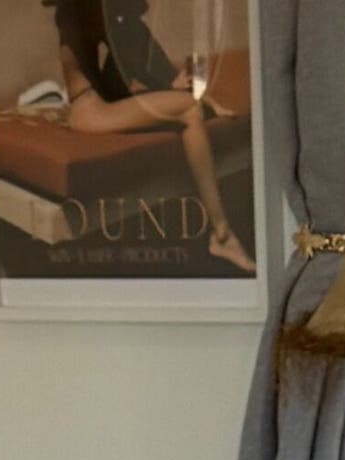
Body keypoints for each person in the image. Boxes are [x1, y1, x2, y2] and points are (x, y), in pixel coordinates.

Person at [49, 0, 256, 275]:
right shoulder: (79, 12)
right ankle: (222, 235)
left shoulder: (95, 17)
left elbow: (123, 72)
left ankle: (222, 235)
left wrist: (175, 88)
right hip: (91, 112)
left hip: (97, 107)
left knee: (186, 101)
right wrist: (176, 91)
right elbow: (126, 68)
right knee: (189, 108)